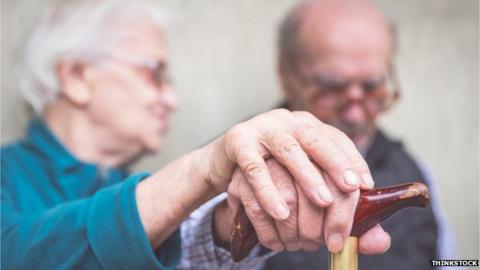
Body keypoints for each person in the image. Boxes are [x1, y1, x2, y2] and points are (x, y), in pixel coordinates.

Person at [0, 1, 390, 269]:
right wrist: (201, 169)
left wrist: (240, 218)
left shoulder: (140, 191)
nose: (171, 99)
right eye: (154, 73)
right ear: (76, 77)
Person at [263, 0, 457, 269]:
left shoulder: (414, 172)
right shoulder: (239, 180)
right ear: (286, 73)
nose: (355, 116)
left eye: (372, 87)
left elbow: (449, 263)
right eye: (332, 88)